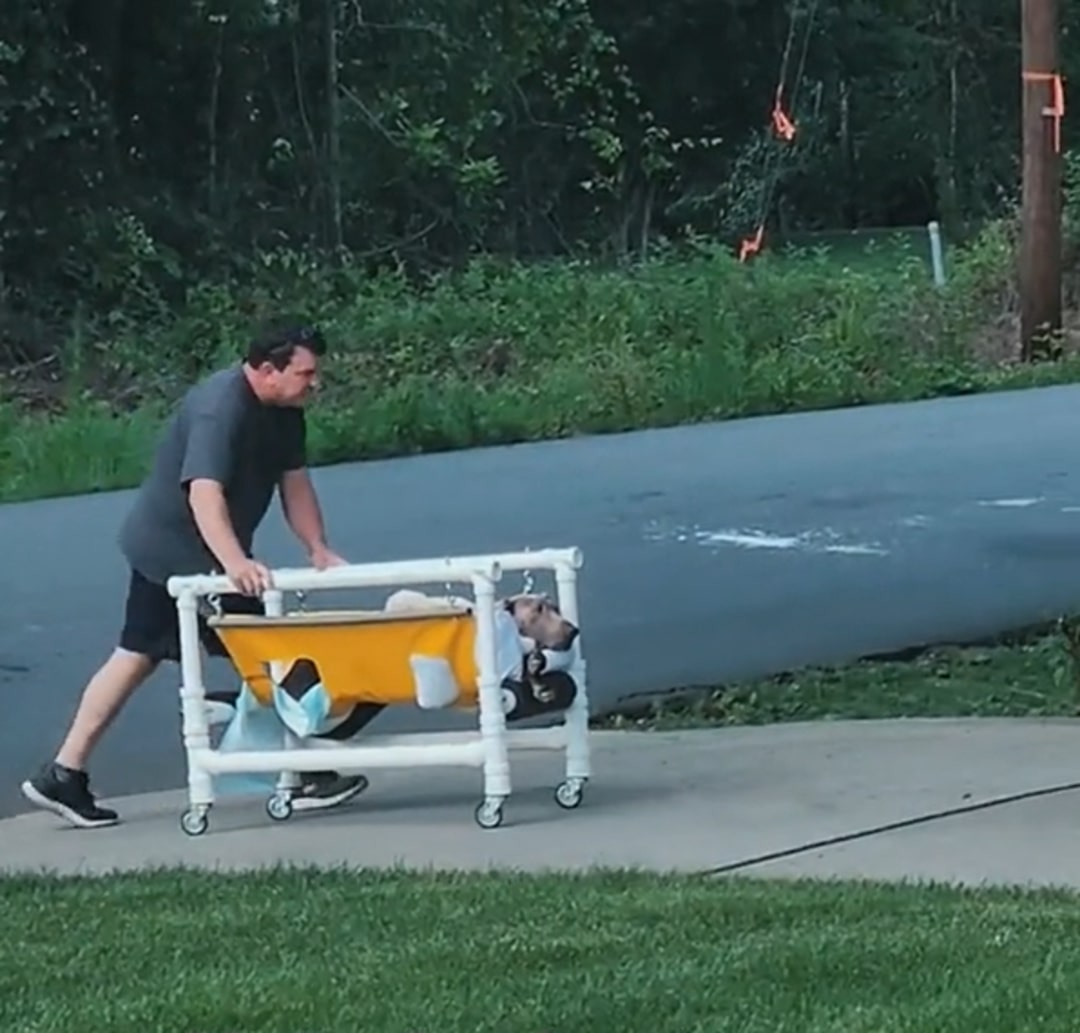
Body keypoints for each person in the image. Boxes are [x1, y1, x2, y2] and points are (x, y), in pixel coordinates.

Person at [20, 320, 368, 829]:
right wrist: (233, 565)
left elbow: (295, 483)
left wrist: (317, 548)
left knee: (136, 655)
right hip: (179, 554)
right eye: (306, 373)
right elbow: (203, 492)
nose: (314, 383)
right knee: (272, 652)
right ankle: (302, 768)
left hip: (200, 555)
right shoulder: (219, 407)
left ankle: (63, 774)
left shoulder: (286, 412)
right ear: (267, 370)